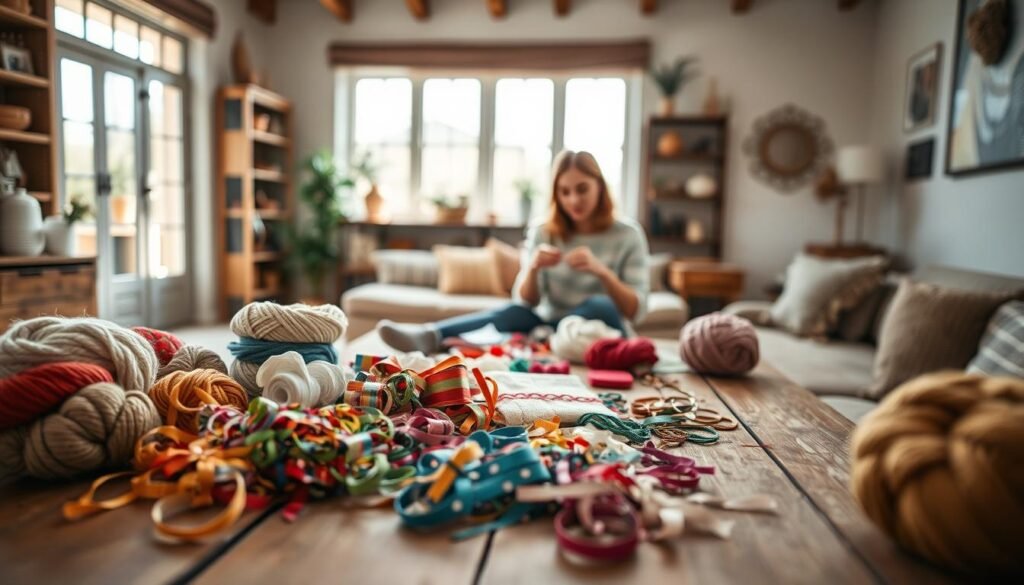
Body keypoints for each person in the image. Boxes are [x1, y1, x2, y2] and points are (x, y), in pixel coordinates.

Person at [377, 150, 650, 353]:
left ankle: (548, 337)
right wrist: (532, 267)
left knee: (597, 304)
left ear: (600, 187)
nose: (573, 200)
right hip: (549, 326)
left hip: (601, 329)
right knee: (513, 312)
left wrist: (602, 272)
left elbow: (636, 310)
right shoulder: (544, 231)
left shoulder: (628, 234)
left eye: (582, 189)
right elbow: (525, 300)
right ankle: (430, 336)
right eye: (564, 192)